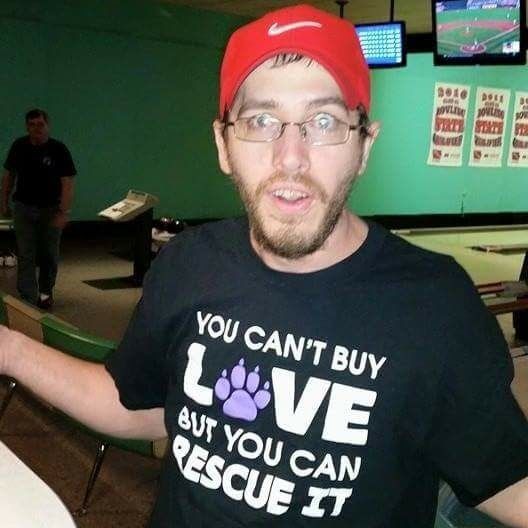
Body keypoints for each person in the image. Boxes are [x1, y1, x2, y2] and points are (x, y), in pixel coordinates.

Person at [0, 5, 527, 527]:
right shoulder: (189, 263)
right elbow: (138, 405)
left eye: (324, 121)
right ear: (223, 145)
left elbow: (507, 485)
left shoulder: (434, 305)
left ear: (365, 145)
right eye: (260, 121)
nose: (290, 157)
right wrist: (9, 348)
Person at [1, 109, 76, 309]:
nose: (36, 129)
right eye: (32, 125)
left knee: (49, 253)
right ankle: (27, 297)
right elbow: (9, 176)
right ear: (27, 127)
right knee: (26, 253)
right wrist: (4, 202)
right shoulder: (19, 147)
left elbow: (67, 182)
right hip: (23, 208)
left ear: (47, 126)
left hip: (50, 209)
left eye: (40, 124)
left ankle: (45, 292)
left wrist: (63, 211)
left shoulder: (58, 149)